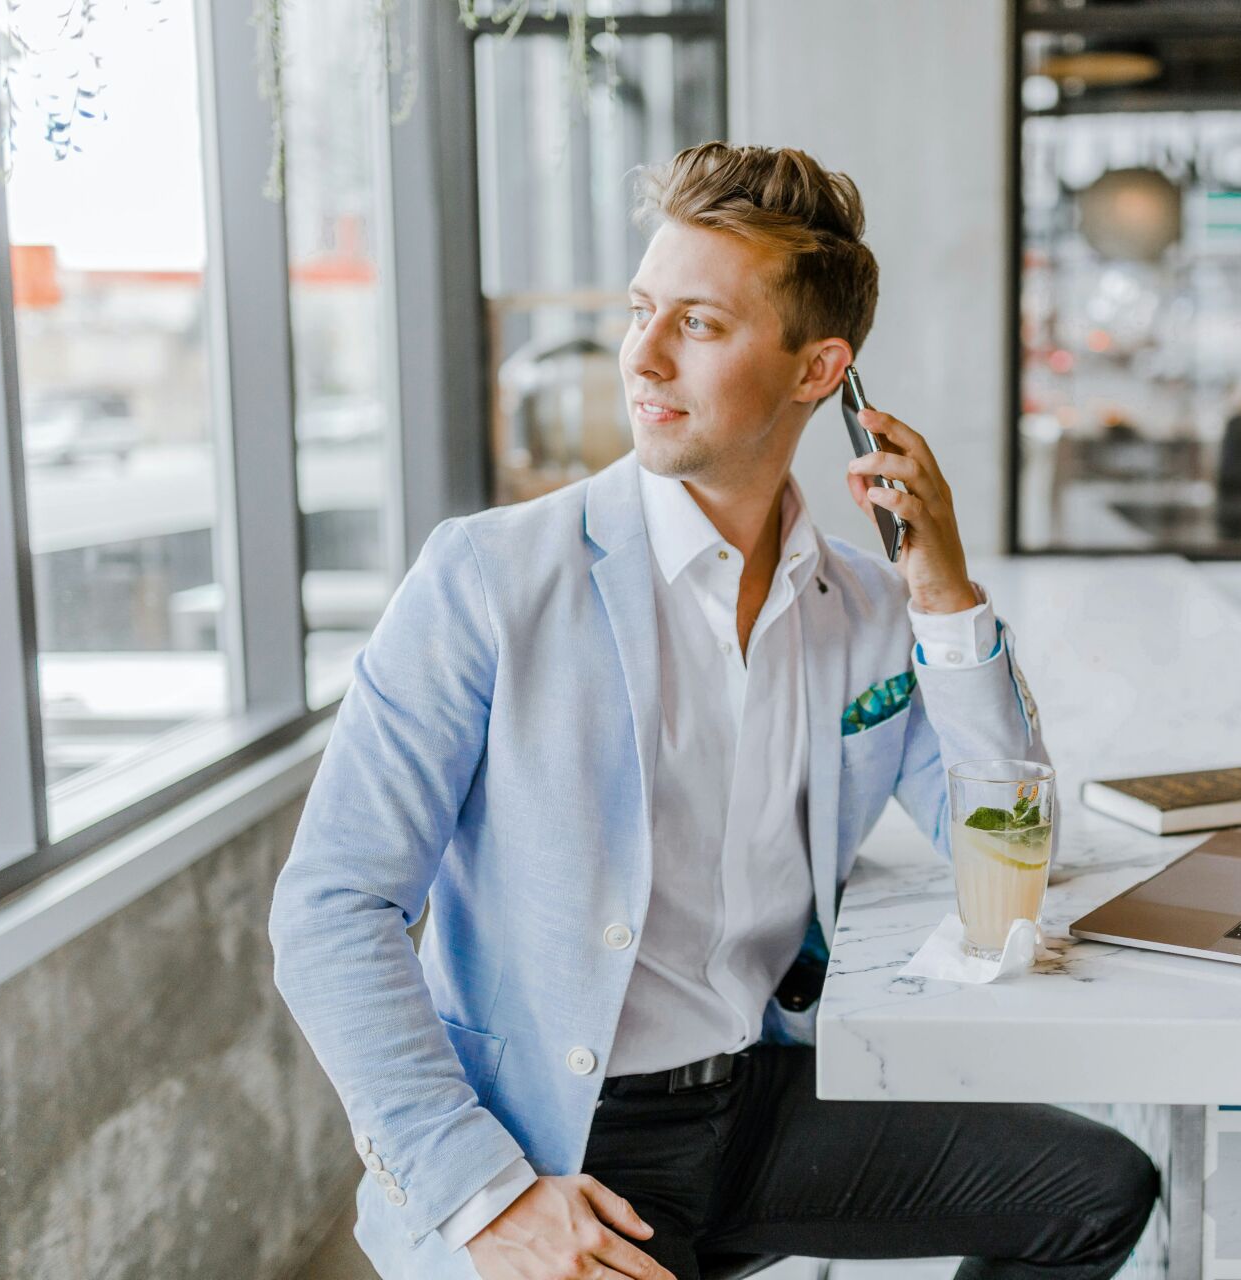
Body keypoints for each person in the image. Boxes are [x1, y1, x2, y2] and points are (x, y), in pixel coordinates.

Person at [269, 141, 1159, 1280]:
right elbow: (332, 908)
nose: (639, 355)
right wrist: (484, 1193)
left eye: (697, 323)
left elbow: (1010, 853)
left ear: (817, 370)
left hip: (757, 1099)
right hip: (560, 1145)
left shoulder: (869, 607)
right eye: (643, 309)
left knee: (1096, 1192)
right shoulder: (488, 577)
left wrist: (944, 593)